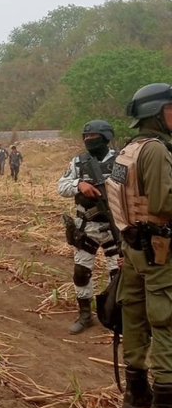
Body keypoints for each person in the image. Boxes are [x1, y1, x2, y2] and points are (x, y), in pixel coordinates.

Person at [107, 83, 172, 408]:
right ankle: (165, 401)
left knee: (133, 316)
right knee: (165, 321)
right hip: (159, 250)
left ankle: (136, 392)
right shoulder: (157, 151)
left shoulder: (129, 149)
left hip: (132, 247)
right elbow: (164, 203)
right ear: (157, 113)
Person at [57, 120, 121, 334]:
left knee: (117, 274)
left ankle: (116, 316)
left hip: (115, 227)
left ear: (106, 138)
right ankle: (85, 315)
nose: (88, 141)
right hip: (87, 227)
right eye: (85, 137)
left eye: (93, 137)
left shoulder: (121, 160)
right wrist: (79, 185)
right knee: (81, 272)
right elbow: (62, 186)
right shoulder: (78, 162)